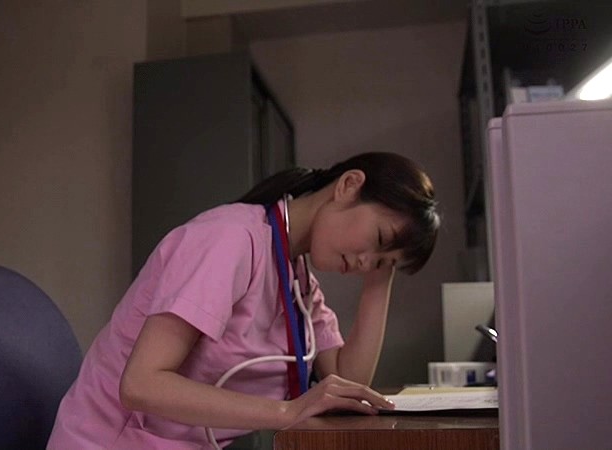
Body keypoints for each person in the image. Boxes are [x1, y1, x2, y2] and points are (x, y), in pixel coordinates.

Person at [48, 151, 440, 449]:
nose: (366, 263)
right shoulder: (228, 241)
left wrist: (380, 278)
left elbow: (349, 383)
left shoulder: (298, 280)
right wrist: (287, 411)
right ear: (349, 185)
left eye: (382, 262)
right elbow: (140, 385)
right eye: (379, 240)